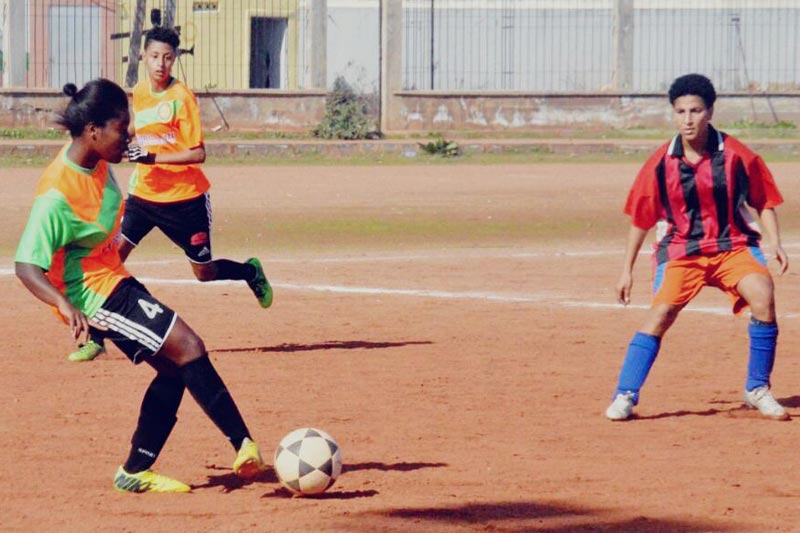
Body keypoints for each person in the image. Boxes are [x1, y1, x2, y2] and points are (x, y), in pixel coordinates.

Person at [16, 79, 267, 492]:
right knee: (188, 345)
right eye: (122, 127)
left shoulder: (94, 159)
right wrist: (64, 306)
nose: (129, 134)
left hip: (110, 277)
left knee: (173, 368)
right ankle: (244, 445)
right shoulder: (56, 195)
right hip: (91, 294)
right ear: (94, 130)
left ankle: (135, 470)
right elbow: (26, 265)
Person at [68, 25, 272, 362]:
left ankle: (250, 272)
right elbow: (137, 127)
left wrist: (152, 156)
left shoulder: (183, 98)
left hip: (185, 200)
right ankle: (95, 337)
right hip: (144, 197)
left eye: (166, 57)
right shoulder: (140, 91)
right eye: (154, 56)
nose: (160, 63)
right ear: (142, 57)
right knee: (111, 261)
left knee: (203, 272)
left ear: (174, 59)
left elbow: (197, 153)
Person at [605, 73, 789, 422]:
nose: (688, 119)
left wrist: (775, 241)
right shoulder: (661, 163)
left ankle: (757, 388)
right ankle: (625, 394)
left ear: (710, 112)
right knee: (660, 315)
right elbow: (641, 220)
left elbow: (763, 200)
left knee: (763, 295)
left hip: (731, 246)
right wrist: (626, 270)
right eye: (680, 111)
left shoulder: (736, 155)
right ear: (673, 114)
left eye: (695, 110)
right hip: (681, 251)